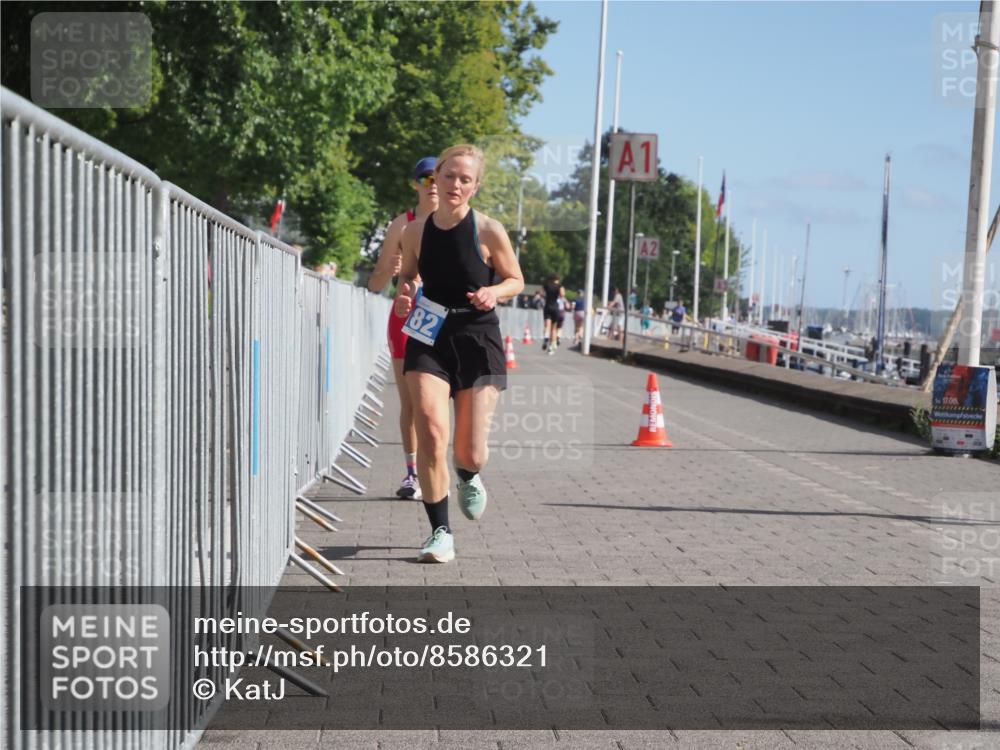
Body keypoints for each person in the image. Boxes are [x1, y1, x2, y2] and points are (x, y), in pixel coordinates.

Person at [394, 144, 524, 563]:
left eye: (465, 179)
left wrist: (494, 290)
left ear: (475, 186)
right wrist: (404, 293)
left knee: (469, 450)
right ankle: (440, 533)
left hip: (476, 335)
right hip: (429, 334)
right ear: (436, 178)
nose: (455, 184)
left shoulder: (488, 230)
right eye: (448, 176)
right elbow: (409, 277)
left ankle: (468, 474)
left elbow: (516, 279)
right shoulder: (414, 231)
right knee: (432, 431)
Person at [368, 156, 439, 500]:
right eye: (427, 178)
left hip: (442, 316)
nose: (435, 184)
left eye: (440, 176)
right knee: (411, 401)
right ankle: (412, 474)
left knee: (437, 402)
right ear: (416, 184)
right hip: (406, 317)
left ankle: (438, 467)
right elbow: (374, 284)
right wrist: (390, 269)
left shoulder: (457, 223)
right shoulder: (402, 224)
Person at [542, 273, 565, 354]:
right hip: (555, 307)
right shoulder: (559, 286)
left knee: (547, 325)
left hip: (547, 307)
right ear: (558, 279)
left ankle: (546, 337)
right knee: (554, 328)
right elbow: (562, 294)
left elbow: (542, 294)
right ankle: (552, 345)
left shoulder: (546, 286)